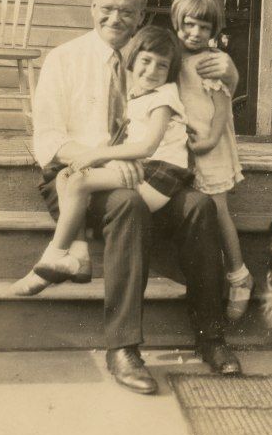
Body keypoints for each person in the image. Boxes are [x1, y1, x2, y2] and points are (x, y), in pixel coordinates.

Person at [13, 0, 242, 395]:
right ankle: (123, 347)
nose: (115, 18)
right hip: (79, 177)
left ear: (141, 16)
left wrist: (230, 73)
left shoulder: (158, 57)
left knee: (199, 205)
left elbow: (209, 81)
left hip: (144, 173)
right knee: (127, 204)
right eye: (107, 8)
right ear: (92, 8)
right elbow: (48, 141)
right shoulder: (64, 59)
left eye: (127, 11)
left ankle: (211, 336)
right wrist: (107, 158)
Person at [30, 26, 193, 285]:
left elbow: (148, 147)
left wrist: (99, 155)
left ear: (170, 71)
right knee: (64, 176)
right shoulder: (141, 93)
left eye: (162, 66)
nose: (152, 71)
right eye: (146, 61)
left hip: (160, 176)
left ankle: (56, 254)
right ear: (133, 60)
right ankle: (80, 256)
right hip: (146, 169)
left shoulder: (164, 99)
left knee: (79, 181)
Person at [171, 0, 254, 321]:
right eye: (189, 24)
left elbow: (222, 109)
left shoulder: (210, 62)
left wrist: (209, 142)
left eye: (203, 27)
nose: (195, 33)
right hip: (181, 146)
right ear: (177, 21)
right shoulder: (171, 55)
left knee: (218, 210)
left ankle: (239, 274)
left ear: (214, 30)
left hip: (209, 145)